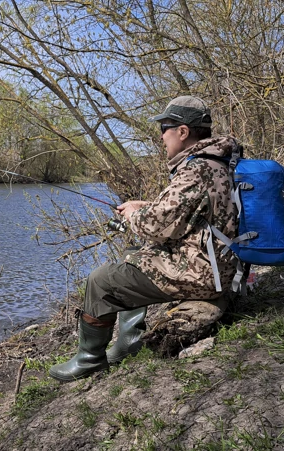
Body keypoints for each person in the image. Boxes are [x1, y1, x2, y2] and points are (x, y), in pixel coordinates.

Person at [49, 95, 241, 381]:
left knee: (100, 280)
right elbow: (189, 210)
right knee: (133, 255)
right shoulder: (217, 162)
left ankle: (89, 360)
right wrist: (143, 205)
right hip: (217, 264)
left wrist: (131, 217)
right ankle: (129, 342)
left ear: (183, 132)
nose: (162, 136)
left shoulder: (195, 169)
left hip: (203, 273)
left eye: (164, 127)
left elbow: (156, 227)